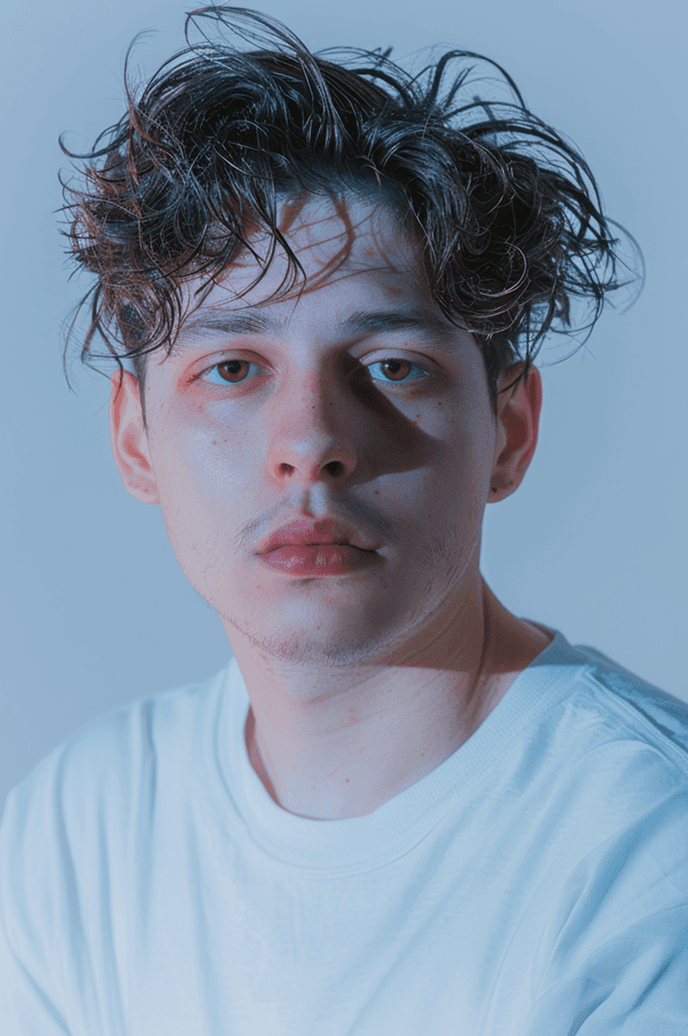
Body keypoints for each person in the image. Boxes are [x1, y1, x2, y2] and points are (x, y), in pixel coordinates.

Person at [1, 5, 686, 1034]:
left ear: (508, 429)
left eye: (390, 366)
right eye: (232, 368)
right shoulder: (82, 829)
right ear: (135, 437)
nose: (310, 440)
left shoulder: (643, 848)